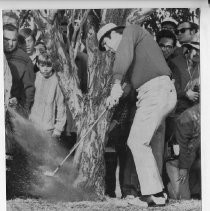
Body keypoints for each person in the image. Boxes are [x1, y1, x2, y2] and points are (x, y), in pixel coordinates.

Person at [97, 23, 177, 207]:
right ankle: (157, 194)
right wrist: (114, 95)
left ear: (115, 33)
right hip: (152, 93)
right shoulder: (133, 57)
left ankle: (154, 193)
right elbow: (128, 88)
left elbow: (123, 59)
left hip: (157, 91)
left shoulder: (131, 31)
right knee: (138, 141)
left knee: (137, 141)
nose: (109, 50)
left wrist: (116, 83)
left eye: (107, 44)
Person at [29, 52, 66, 139]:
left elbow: (61, 106)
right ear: (37, 64)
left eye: (48, 66)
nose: (45, 69)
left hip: (48, 128)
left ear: (53, 65)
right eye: (42, 65)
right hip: (32, 124)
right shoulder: (34, 77)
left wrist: (58, 130)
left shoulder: (57, 81)